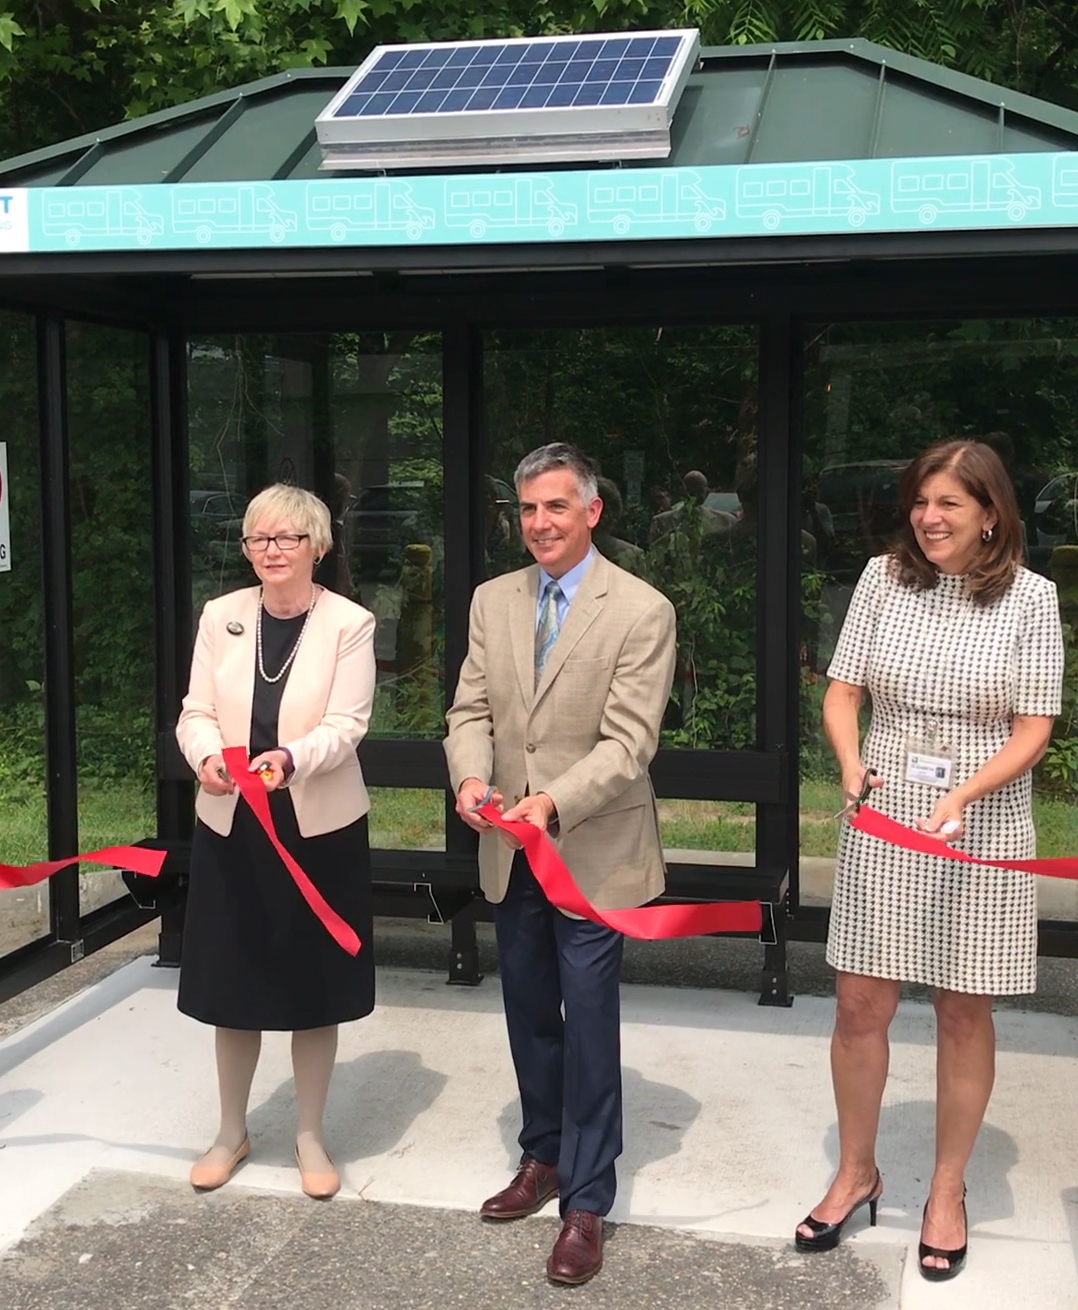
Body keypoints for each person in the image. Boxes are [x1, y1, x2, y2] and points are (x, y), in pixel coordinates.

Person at [796, 441, 1063, 1281]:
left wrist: (964, 796)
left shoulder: (1032, 598)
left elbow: (1034, 725)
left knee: (960, 1012)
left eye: (950, 503)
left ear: (993, 515)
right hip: (885, 812)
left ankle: (947, 1189)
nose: (930, 517)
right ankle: (856, 1171)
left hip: (979, 823)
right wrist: (849, 763)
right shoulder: (883, 579)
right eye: (921, 500)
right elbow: (844, 691)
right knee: (858, 1004)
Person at [445, 442, 676, 1286]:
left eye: (555, 507)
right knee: (530, 1014)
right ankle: (541, 1156)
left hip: (592, 852)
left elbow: (629, 743)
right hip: (510, 851)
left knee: (588, 1024)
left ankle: (587, 1199)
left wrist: (551, 803)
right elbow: (469, 706)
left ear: (592, 511)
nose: (539, 524)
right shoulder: (492, 600)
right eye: (528, 509)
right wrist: (471, 774)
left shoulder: (641, 609)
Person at [176, 483, 377, 1200]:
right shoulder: (221, 616)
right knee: (233, 983)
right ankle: (232, 1131)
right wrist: (205, 755)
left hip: (314, 826)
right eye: (258, 538)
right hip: (231, 825)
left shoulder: (350, 622)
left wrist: (288, 758)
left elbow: (347, 724)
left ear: (317, 547)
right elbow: (195, 709)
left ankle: (310, 1135)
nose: (271, 550)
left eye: (287, 538)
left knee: (310, 986)